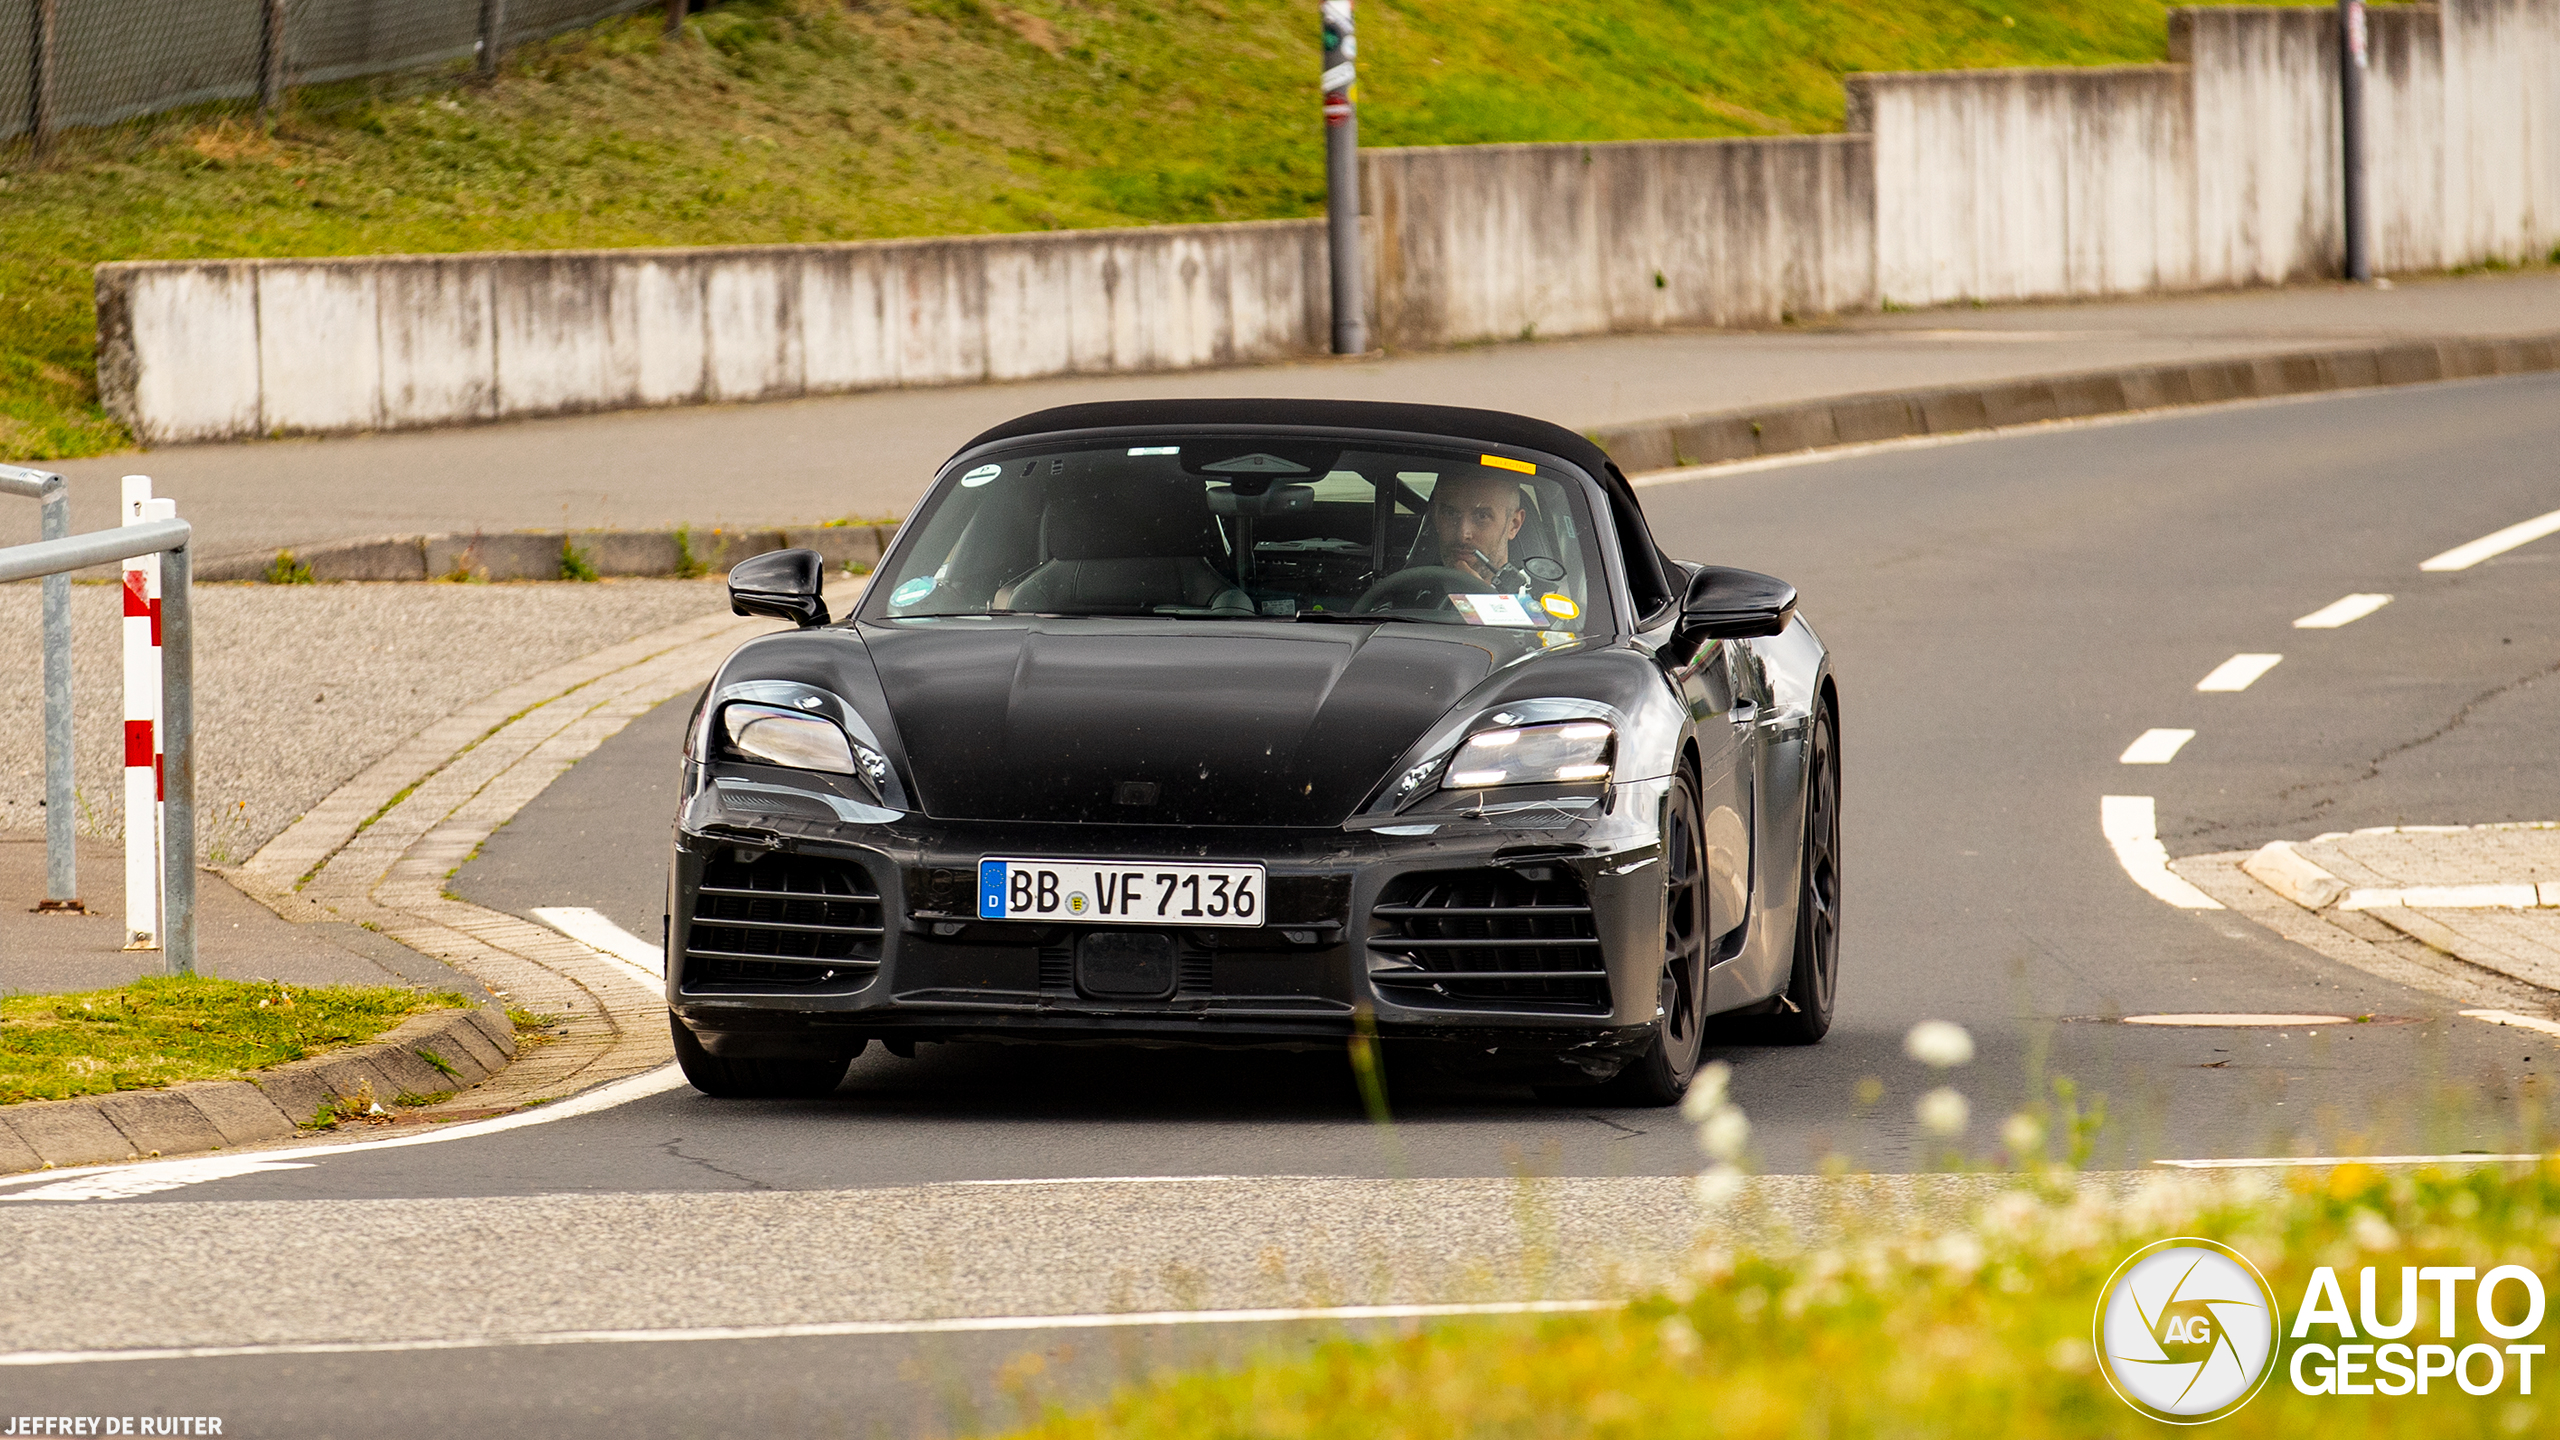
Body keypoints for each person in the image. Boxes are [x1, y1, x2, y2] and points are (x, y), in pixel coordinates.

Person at [1423, 470, 1529, 589]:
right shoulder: (1411, 591)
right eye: (1450, 513)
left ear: (1514, 525)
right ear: (1435, 516)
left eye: (1482, 516)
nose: (1463, 534)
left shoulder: (1533, 602)